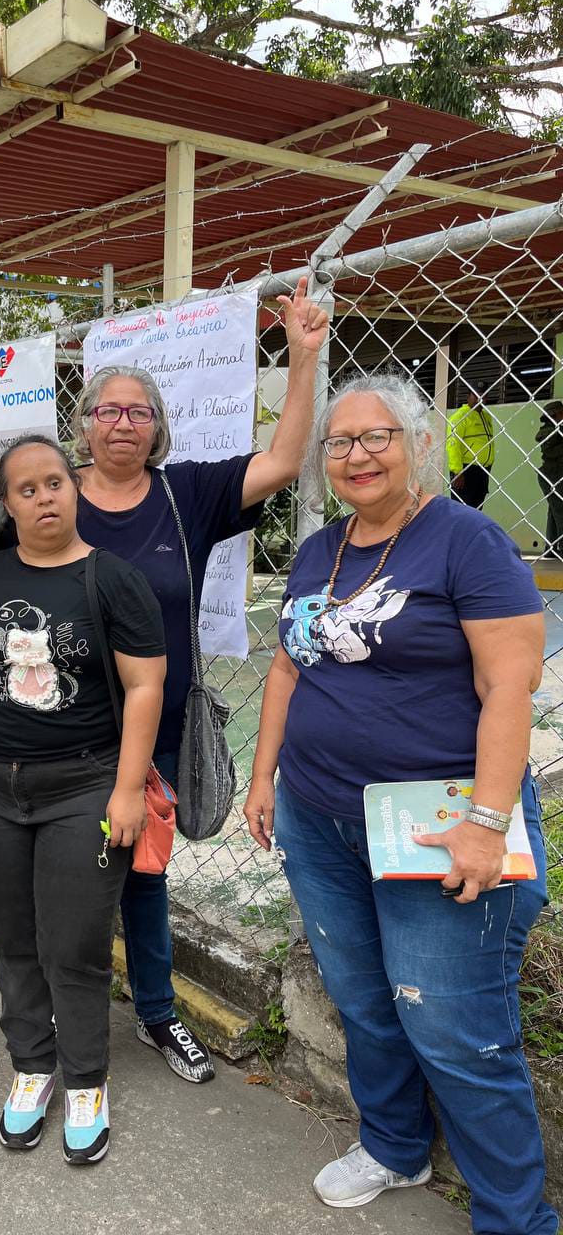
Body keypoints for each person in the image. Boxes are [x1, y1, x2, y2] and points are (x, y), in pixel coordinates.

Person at [243, 374, 556, 1235]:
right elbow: (287, 666)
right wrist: (264, 776)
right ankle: (393, 1145)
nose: (358, 454)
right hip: (318, 816)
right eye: (340, 441)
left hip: (438, 823)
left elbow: (509, 687)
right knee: (364, 999)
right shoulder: (322, 548)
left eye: (377, 436)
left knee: (455, 1028)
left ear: (419, 444)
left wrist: (487, 823)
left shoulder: (468, 541)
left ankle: (514, 1218)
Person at [66, 276, 328, 1083]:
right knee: (67, 880)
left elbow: (283, 461)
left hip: (159, 728)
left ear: (158, 426)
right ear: (84, 423)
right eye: (108, 410)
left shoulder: (187, 494)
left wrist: (303, 357)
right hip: (66, 729)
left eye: (138, 412)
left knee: (144, 878)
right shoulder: (48, 498)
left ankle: (156, 1014)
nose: (122, 423)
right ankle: (63, 1021)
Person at [0, 435, 166, 1165]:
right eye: (26, 489)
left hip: (84, 787)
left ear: (75, 488)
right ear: (7, 504)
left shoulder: (113, 579)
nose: (43, 498)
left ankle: (85, 1079)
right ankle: (32, 1066)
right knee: (14, 938)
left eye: (54, 483)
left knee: (76, 944)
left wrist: (127, 789)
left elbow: (145, 686)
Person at [448, 385, 495, 509]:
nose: (480, 398)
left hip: (483, 470)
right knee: (462, 510)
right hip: (466, 470)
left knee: (477, 510)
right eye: (476, 395)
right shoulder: (460, 417)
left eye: (484, 395)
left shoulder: (487, 417)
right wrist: (457, 471)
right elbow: (453, 445)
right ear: (468, 397)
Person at [536, 400, 563, 557]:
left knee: (554, 512)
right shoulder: (548, 431)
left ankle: (551, 547)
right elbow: (550, 451)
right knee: (559, 511)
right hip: (552, 475)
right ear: (554, 415)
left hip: (555, 475)